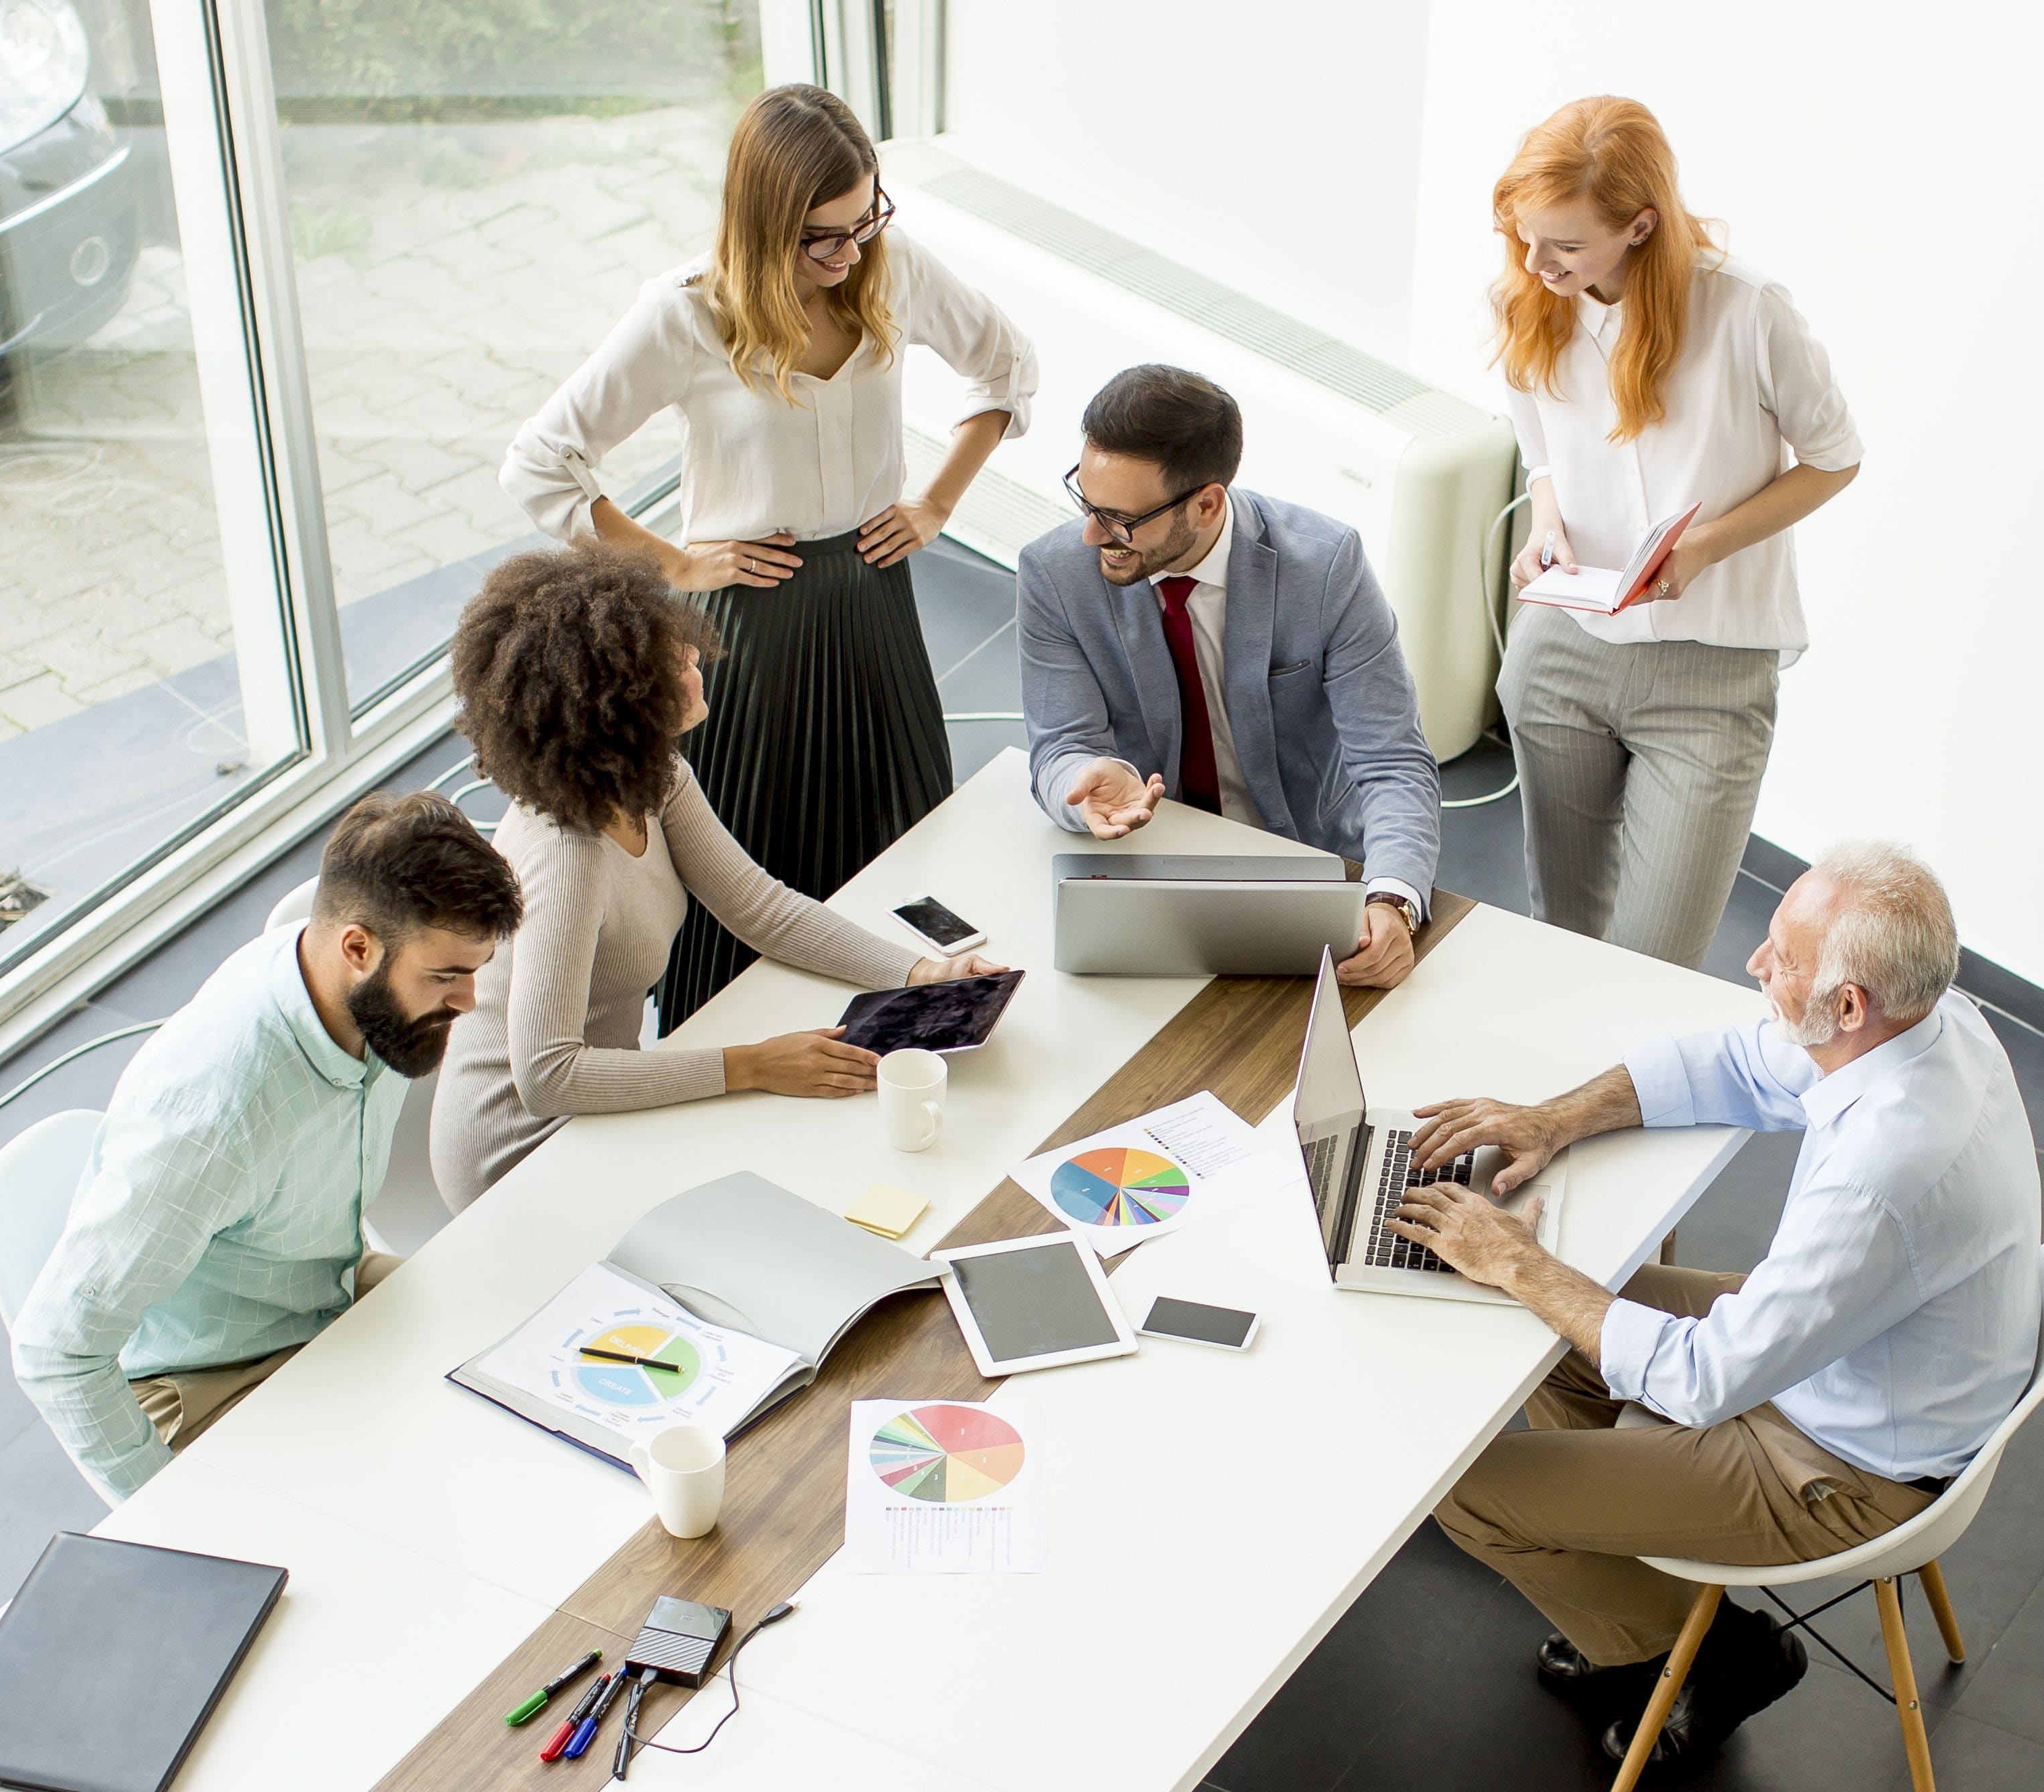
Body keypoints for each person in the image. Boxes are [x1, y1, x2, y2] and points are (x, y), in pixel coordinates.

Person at [1385, 841, 2037, 1769]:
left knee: (1464, 1495)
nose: (1755, 965)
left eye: (1783, 957)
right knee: (1553, 1305)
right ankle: (1628, 1588)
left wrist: (1518, 1263)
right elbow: (1737, 1061)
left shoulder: (1883, 1172)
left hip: (1846, 1464)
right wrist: (1553, 1118)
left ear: (1850, 1005)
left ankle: (1712, 1653)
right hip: (1859, 1361)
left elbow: (1701, 1382)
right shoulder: (1935, 1023)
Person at [500, 82, 1037, 1031]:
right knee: (743, 865)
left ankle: (922, 1029)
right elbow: (543, 460)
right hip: (752, 622)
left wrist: (937, 502)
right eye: (819, 237)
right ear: (762, 224)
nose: (847, 254)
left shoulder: (891, 266)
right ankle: (736, 1051)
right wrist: (677, 566)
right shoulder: (685, 315)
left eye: (862, 221)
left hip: (874, 594)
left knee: (903, 834)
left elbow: (1006, 365)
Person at [431, 547, 1003, 1210]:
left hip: (603, 1099)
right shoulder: (568, 853)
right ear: (619, 706)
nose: (697, 662)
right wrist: (755, 1063)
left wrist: (919, 976)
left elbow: (760, 907)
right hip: (525, 1152)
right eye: (675, 661)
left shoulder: (655, 777)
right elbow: (548, 1075)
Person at [11, 794, 524, 1505]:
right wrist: (173, 1523)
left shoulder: (360, 998)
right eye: (445, 977)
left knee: (519, 1363)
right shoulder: (214, 1112)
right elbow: (56, 1350)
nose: (469, 1001)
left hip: (320, 1286)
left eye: (475, 971)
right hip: (205, 1377)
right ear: (357, 948)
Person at [1488, 97, 1862, 970]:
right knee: (1564, 934)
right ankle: (1547, 1106)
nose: (1537, 263)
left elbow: (1835, 459)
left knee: (1653, 966)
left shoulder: (1748, 313)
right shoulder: (1528, 296)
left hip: (1710, 674)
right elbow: (1541, 440)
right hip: (1563, 652)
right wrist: (1547, 519)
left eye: (1566, 246)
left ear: (1641, 225)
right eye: (1524, 238)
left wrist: (1703, 548)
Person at [1017, 365, 1444, 986]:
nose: (1091, 534)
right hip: (1152, 867)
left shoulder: (1326, 567)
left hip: (1308, 863)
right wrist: (1081, 781)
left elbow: (1393, 762)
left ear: (1207, 503)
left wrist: (1395, 899)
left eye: (1117, 518)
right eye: (1085, 502)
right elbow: (1059, 745)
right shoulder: (1054, 574)